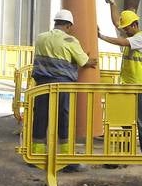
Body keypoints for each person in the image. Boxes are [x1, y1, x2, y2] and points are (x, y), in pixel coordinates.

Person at [30, 9, 97, 160]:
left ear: (55, 23)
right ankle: (66, 158)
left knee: (41, 116)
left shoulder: (41, 38)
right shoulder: (70, 41)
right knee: (63, 118)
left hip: (41, 84)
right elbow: (84, 62)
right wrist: (90, 60)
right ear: (68, 26)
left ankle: (36, 154)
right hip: (62, 85)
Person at [99, 0, 142, 153]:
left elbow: (122, 42)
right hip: (128, 84)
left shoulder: (140, 39)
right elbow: (117, 22)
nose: (125, 31)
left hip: (140, 86)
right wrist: (113, 5)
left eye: (127, 28)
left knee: (141, 120)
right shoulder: (132, 34)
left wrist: (101, 36)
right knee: (125, 117)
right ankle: (128, 149)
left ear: (135, 25)